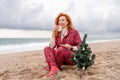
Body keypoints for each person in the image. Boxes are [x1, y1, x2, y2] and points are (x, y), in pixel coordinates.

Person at [44, 13, 81, 77]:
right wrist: (53, 34)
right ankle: (54, 67)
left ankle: (55, 67)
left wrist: (71, 47)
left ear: (67, 22)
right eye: (59, 20)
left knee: (61, 49)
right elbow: (52, 47)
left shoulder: (74, 32)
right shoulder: (58, 33)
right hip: (60, 59)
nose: (60, 22)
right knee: (46, 48)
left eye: (63, 20)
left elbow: (80, 47)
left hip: (71, 58)